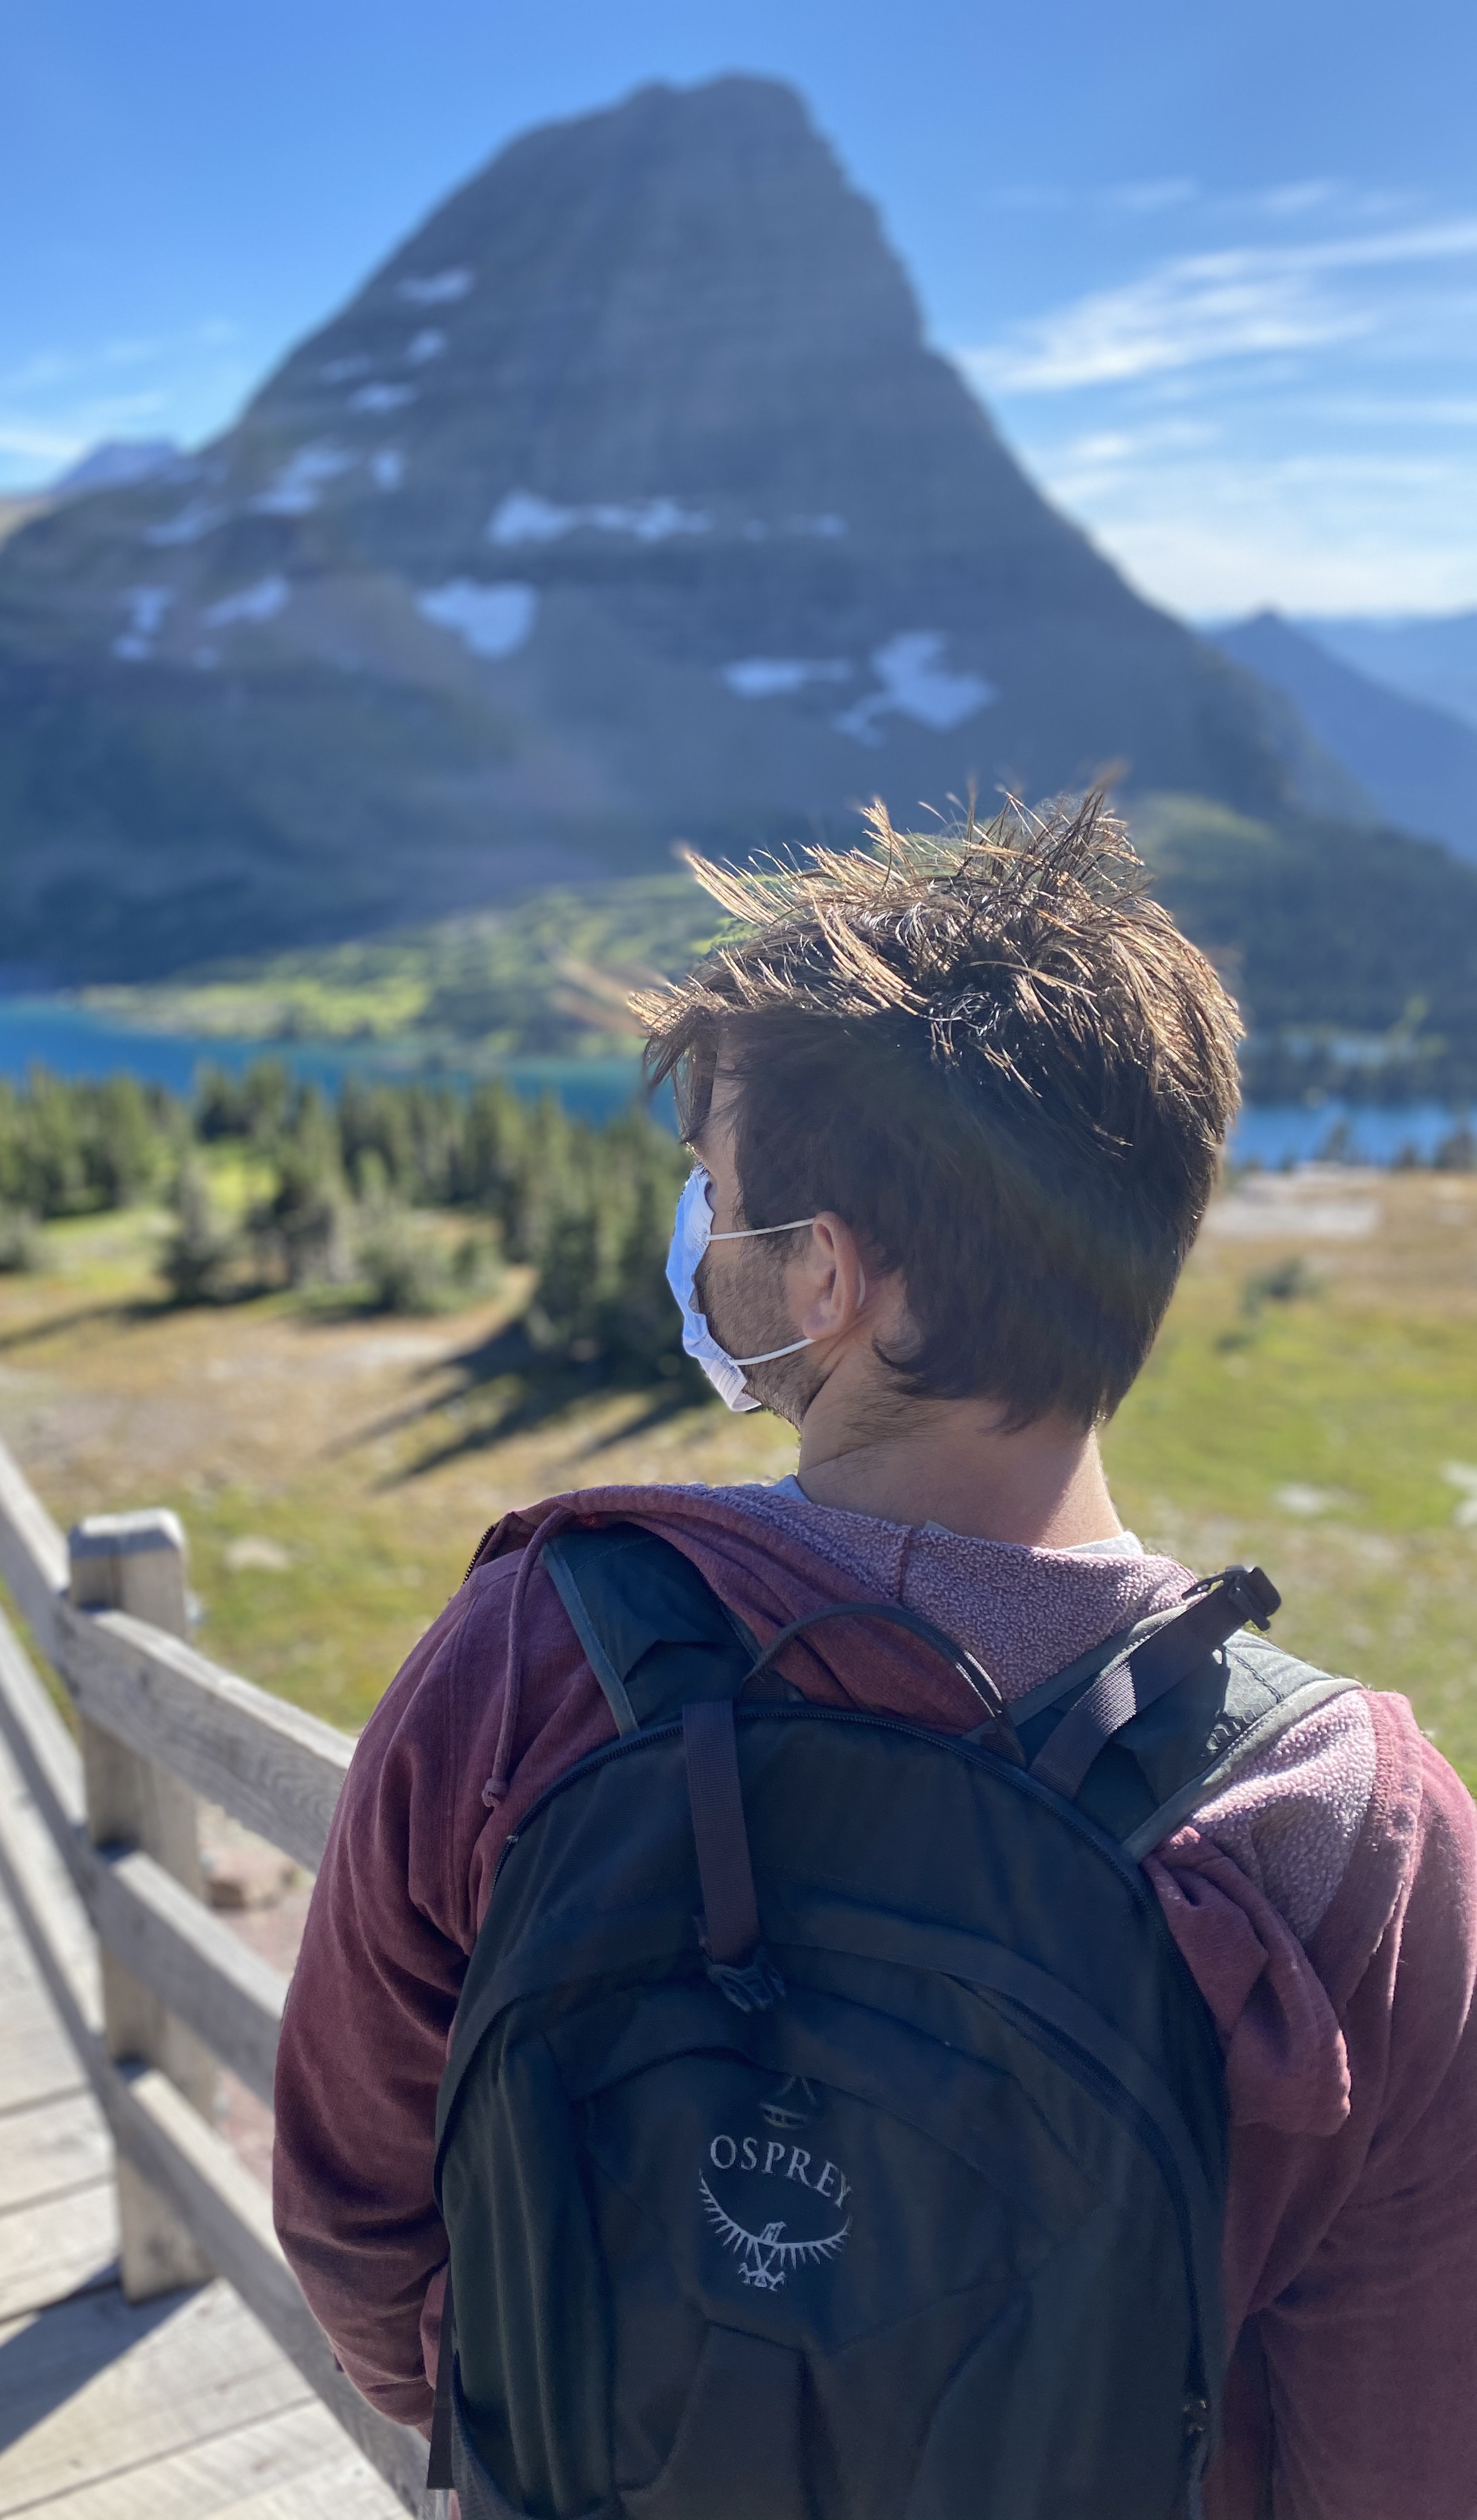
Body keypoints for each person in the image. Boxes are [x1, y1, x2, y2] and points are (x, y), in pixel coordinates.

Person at [272, 794, 1477, 2519]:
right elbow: (1402, 2456)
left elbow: (353, 2224)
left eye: (717, 1190)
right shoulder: (1355, 1829)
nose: (699, 1229)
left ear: (826, 1278)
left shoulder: (538, 1647)